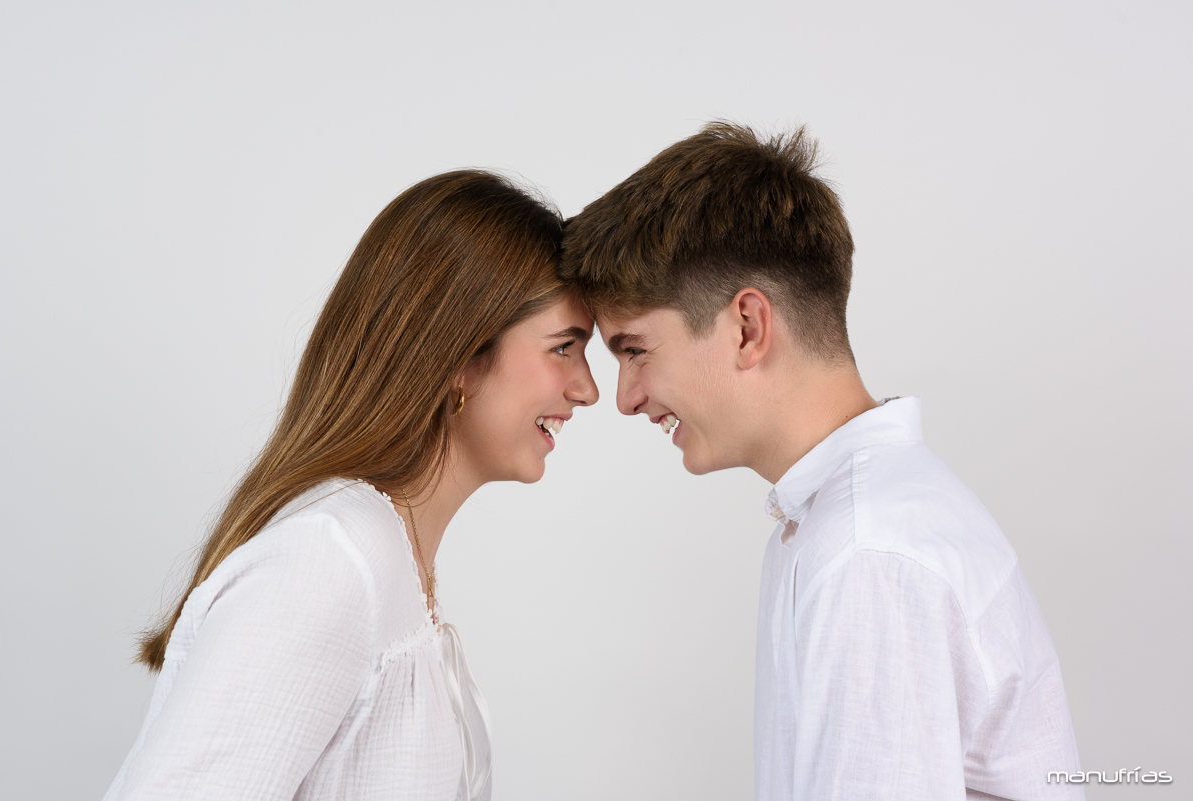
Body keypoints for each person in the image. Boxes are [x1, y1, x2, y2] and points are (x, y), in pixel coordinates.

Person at [560, 122, 1083, 800]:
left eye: (634, 350)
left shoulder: (866, 551)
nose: (625, 398)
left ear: (748, 326)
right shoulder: (855, 519)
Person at [105, 170, 598, 801]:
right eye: (564, 348)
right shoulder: (330, 563)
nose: (587, 388)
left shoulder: (386, 559)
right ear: (460, 353)